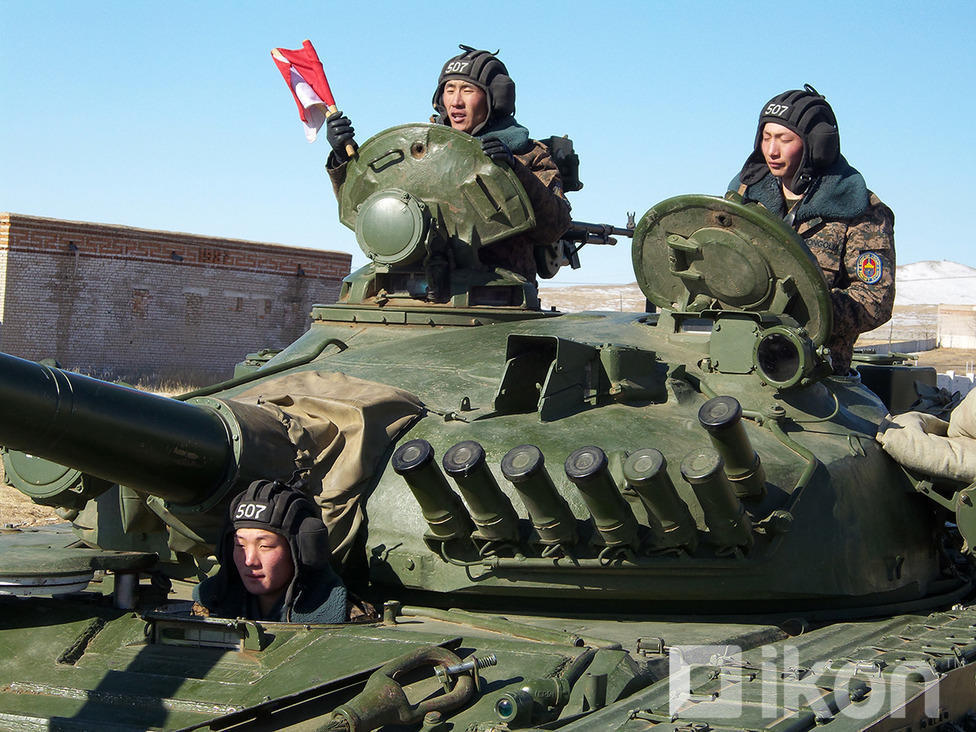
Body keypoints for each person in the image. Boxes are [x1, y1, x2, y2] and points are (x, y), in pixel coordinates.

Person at [324, 45, 571, 283]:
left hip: (495, 295)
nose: (456, 101)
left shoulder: (527, 154)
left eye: (468, 90)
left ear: (494, 99)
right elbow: (366, 209)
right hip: (413, 289)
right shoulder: (420, 153)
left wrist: (514, 171)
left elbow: (554, 226)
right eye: (450, 90)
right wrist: (342, 158)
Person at [728, 85, 895, 374]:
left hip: (814, 371)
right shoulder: (745, 195)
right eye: (766, 137)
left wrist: (802, 309)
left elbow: (875, 300)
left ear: (815, 145)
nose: (772, 150)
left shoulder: (857, 208)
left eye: (784, 139)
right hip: (733, 358)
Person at [193, 479, 348, 623]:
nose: (249, 561)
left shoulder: (342, 620)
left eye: (264, 546)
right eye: (240, 545)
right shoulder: (210, 605)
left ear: (300, 551)